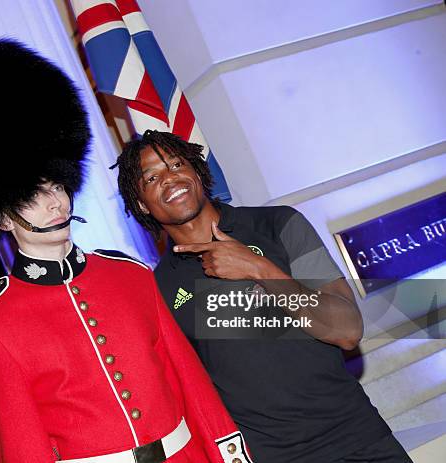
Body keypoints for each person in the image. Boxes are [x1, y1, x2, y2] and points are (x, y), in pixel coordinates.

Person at [0, 39, 253, 463]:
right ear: (2, 216)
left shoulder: (130, 276)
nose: (56, 203)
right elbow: (23, 450)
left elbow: (191, 383)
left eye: (57, 186)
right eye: (33, 196)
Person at [112, 130, 413, 463]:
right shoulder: (160, 288)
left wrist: (260, 269)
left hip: (360, 441)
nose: (170, 178)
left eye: (177, 164)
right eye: (152, 177)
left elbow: (347, 330)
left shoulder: (277, 225)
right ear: (141, 203)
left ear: (197, 171)